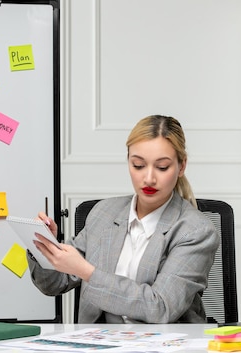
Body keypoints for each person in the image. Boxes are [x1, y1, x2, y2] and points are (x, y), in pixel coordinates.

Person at [29, 115, 220, 323]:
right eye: (138, 165)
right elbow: (53, 284)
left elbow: (161, 307)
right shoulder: (104, 213)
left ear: (181, 167)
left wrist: (87, 272)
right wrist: (46, 246)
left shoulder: (197, 231)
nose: (148, 178)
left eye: (162, 167)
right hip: (99, 342)